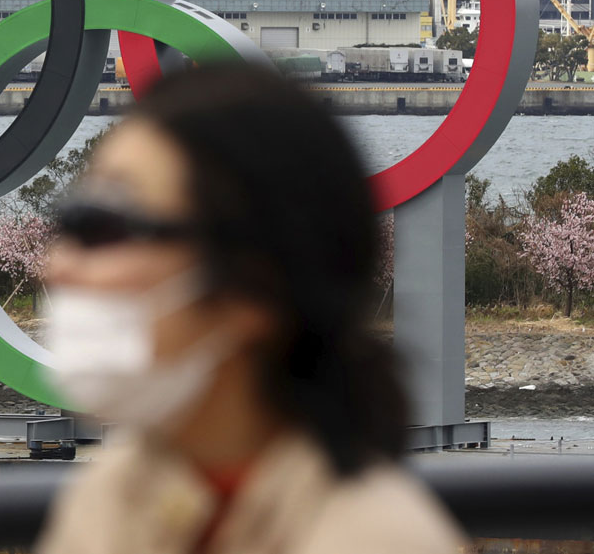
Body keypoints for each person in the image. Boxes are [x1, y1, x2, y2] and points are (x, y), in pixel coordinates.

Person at [37, 64, 465, 554]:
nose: (59, 266)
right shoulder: (111, 497)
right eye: (67, 223)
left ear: (253, 287)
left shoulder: (372, 538)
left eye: (103, 228)